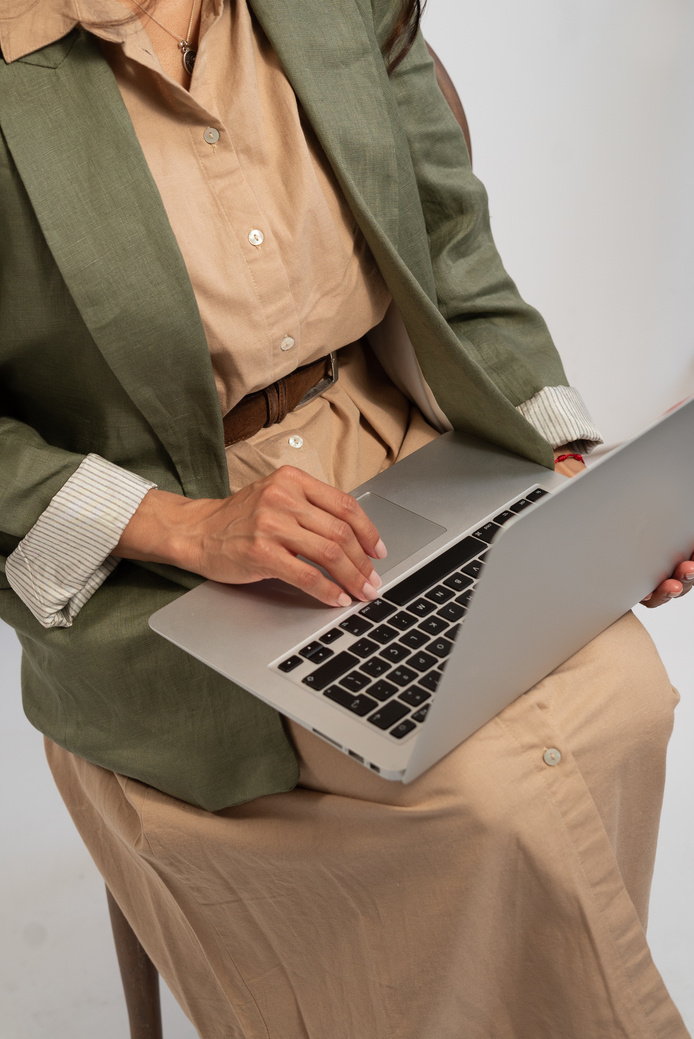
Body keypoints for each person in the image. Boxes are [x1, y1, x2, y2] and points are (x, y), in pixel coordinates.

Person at [0, 1, 691, 1036]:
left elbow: (449, 249)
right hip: (161, 538)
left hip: (398, 446)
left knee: (625, 699)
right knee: (490, 797)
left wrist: (576, 475)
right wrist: (187, 527)